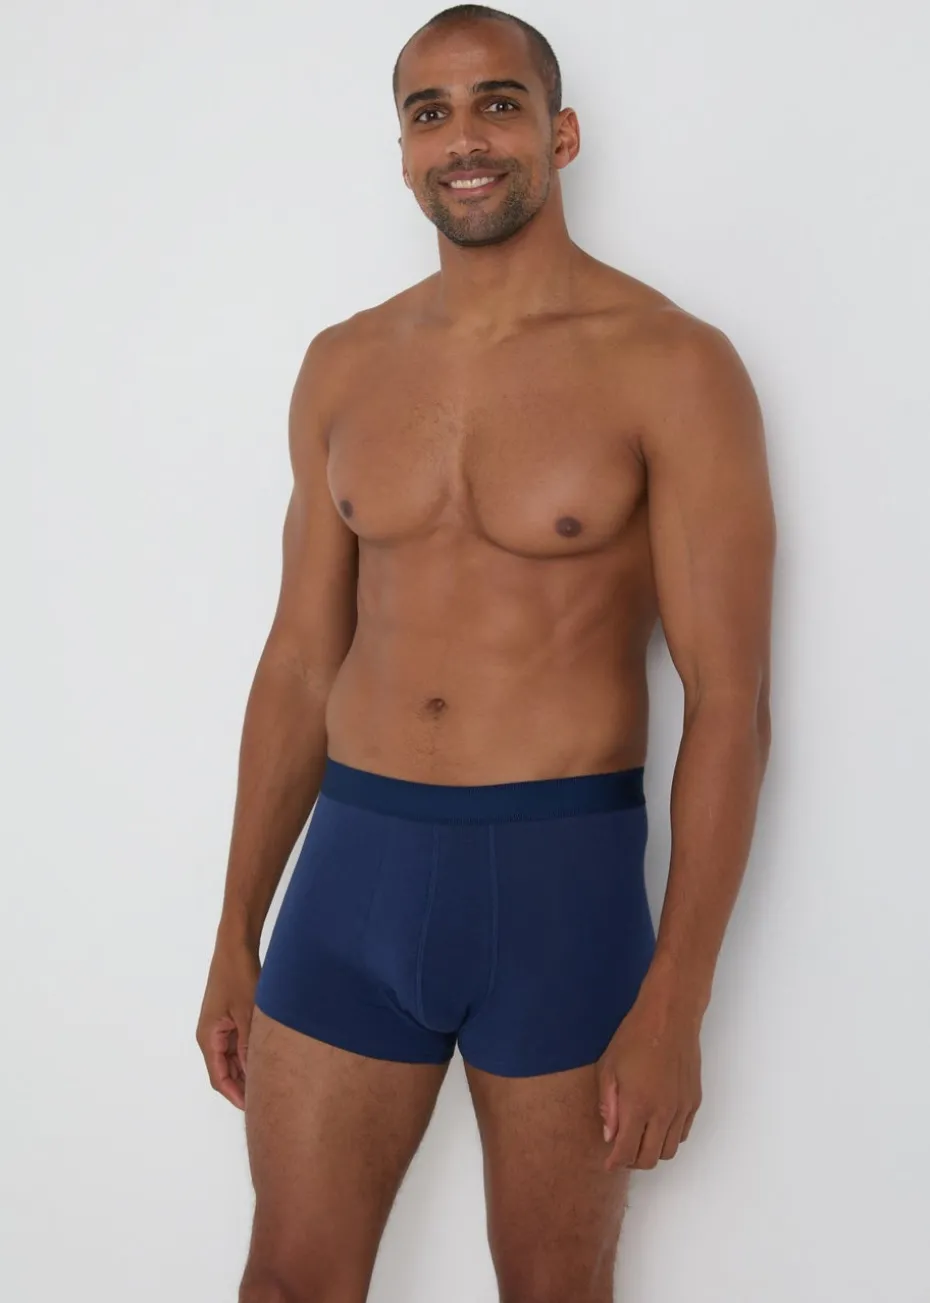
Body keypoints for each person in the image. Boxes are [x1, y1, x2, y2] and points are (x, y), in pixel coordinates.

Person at [196, 5, 776, 1300]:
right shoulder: (344, 365)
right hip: (351, 875)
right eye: (431, 113)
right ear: (404, 151)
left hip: (557, 885)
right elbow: (299, 660)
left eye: (498, 104)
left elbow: (730, 703)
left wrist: (677, 998)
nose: (464, 139)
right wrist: (236, 926)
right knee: (284, 1283)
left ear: (558, 135)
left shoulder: (672, 365)